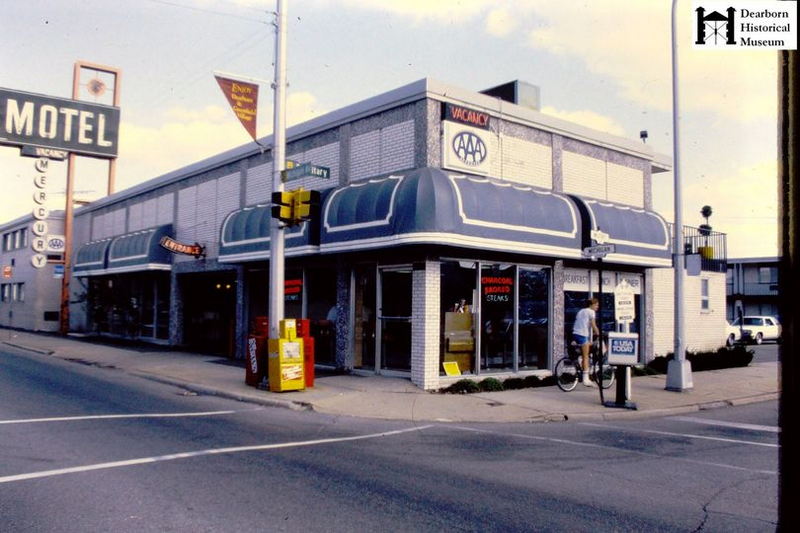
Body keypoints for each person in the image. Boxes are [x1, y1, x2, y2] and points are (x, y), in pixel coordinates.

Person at [572, 298, 600, 386]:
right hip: (582, 335)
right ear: (591, 305)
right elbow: (593, 325)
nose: (597, 307)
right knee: (586, 356)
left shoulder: (581, 311)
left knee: (587, 347)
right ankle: (586, 379)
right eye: (596, 305)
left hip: (575, 334)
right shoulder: (591, 312)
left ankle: (581, 364)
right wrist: (598, 334)